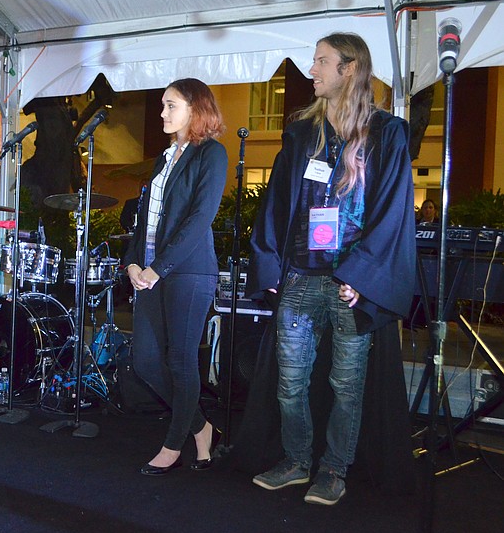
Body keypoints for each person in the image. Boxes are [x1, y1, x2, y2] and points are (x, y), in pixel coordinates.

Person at [246, 33, 416, 505]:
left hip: (349, 282)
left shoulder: (386, 133)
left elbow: (392, 211)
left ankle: (334, 470)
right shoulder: (302, 133)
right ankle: (297, 460)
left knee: (347, 385)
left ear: (350, 68)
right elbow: (276, 204)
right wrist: (271, 266)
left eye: (322, 60)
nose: (312, 69)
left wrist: (363, 278)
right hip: (301, 277)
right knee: (289, 382)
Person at [123, 78, 228, 475]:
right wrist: (133, 262)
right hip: (151, 271)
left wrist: (158, 267)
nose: (162, 112)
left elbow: (200, 218)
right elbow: (144, 221)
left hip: (188, 272)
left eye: (171, 105)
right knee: (146, 362)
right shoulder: (163, 159)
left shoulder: (211, 154)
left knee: (181, 362)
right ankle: (201, 427)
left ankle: (172, 445)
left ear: (195, 109)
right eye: (163, 104)